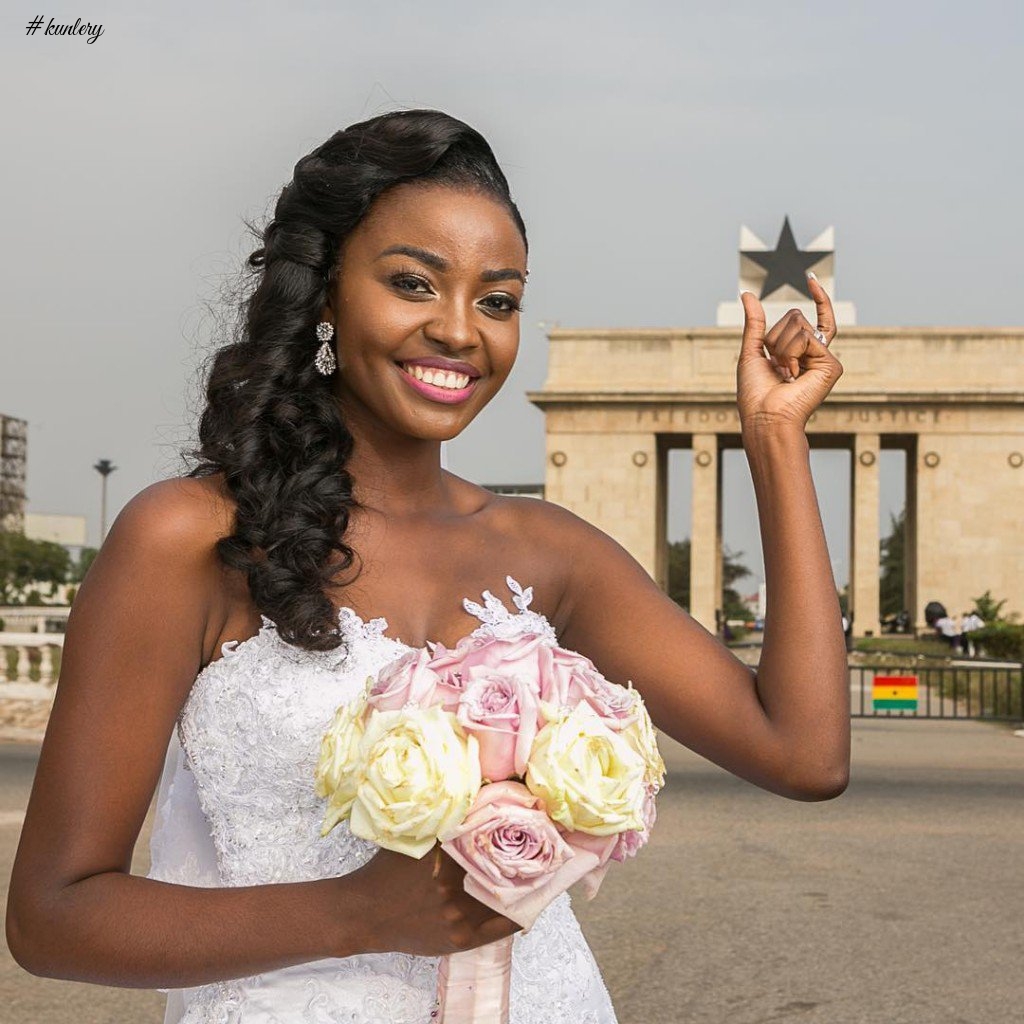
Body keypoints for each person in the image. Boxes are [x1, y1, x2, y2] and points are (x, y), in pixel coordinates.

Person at [5, 109, 851, 1023]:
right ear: (326, 294)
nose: (460, 332)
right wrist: (357, 912)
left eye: (498, 299)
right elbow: (54, 917)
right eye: (414, 283)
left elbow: (802, 753)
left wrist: (773, 438)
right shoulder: (190, 538)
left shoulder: (546, 551)